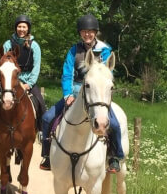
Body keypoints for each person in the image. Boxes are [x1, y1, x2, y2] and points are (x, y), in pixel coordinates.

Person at [39, 14, 124, 173]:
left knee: (114, 124)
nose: (87, 34)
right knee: (47, 118)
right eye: (84, 31)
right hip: (75, 91)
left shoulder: (105, 50)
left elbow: (104, 75)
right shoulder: (74, 51)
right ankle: (48, 155)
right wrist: (68, 94)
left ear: (95, 32)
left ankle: (114, 156)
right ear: (80, 33)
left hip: (96, 94)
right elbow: (67, 74)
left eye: (90, 31)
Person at [0, 15, 46, 141]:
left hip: (27, 80)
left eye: (24, 27)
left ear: (28, 29)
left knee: (41, 103)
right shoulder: (7, 44)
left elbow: (36, 67)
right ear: (16, 28)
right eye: (19, 26)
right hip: (9, 82)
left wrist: (29, 84)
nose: (21, 29)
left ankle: (41, 131)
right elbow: (3, 64)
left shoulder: (35, 46)